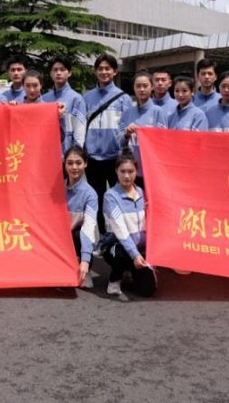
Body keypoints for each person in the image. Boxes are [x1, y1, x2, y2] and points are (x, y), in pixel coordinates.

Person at [83, 54, 132, 231]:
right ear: (95, 71)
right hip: (93, 158)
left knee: (119, 199)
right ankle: (103, 235)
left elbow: (126, 128)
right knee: (96, 199)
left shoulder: (124, 98)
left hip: (115, 158)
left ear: (115, 71)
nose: (104, 72)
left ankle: (122, 235)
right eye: (100, 69)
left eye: (107, 68)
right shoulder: (86, 97)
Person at [100, 153, 156, 297]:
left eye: (130, 171)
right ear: (116, 172)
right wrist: (135, 255)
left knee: (148, 290)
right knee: (122, 253)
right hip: (117, 246)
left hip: (140, 250)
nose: (126, 176)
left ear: (136, 171)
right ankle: (115, 278)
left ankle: (132, 271)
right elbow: (121, 231)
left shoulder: (141, 192)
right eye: (122, 171)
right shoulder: (110, 196)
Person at [117, 70, 167, 189]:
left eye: (145, 86)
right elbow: (119, 142)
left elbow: (163, 142)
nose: (142, 89)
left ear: (152, 87)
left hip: (151, 168)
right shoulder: (127, 113)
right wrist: (126, 134)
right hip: (131, 168)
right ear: (134, 88)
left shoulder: (158, 112)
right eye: (138, 86)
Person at [64, 146, 99, 289]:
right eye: (70, 163)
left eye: (78, 163)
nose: (74, 167)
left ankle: (86, 269)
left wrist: (85, 260)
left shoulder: (90, 194)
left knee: (80, 234)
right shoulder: (57, 188)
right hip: (60, 236)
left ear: (85, 164)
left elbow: (89, 227)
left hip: (78, 235)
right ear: (65, 164)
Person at [42, 57, 87, 156]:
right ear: (50, 74)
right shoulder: (44, 99)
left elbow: (79, 131)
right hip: (47, 155)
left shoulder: (76, 99)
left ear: (69, 73)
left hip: (67, 156)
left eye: (62, 70)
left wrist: (76, 155)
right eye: (55, 70)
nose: (58, 73)